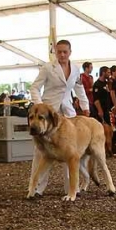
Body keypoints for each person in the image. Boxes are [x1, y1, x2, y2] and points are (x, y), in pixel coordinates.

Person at [29, 40, 90, 196]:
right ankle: (36, 189)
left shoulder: (76, 69)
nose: (62, 54)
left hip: (68, 112)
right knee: (41, 152)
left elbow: (79, 87)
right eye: (59, 51)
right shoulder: (47, 68)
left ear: (70, 52)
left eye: (65, 51)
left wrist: (85, 105)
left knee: (69, 151)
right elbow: (35, 87)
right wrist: (40, 106)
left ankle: (71, 188)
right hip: (48, 113)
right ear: (55, 52)